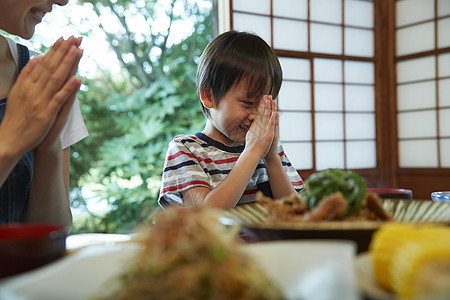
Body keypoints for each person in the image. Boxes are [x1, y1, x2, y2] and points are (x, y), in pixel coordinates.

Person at [159, 30, 304, 209]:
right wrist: (251, 153)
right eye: (248, 102)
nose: (255, 116)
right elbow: (205, 215)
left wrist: (272, 157)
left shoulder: (268, 147)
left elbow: (296, 211)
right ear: (208, 95)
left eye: (264, 106)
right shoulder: (187, 150)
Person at [0, 0, 88, 226]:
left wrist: (48, 148)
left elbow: (54, 230)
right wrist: (9, 144)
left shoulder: (44, 81)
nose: (63, 1)